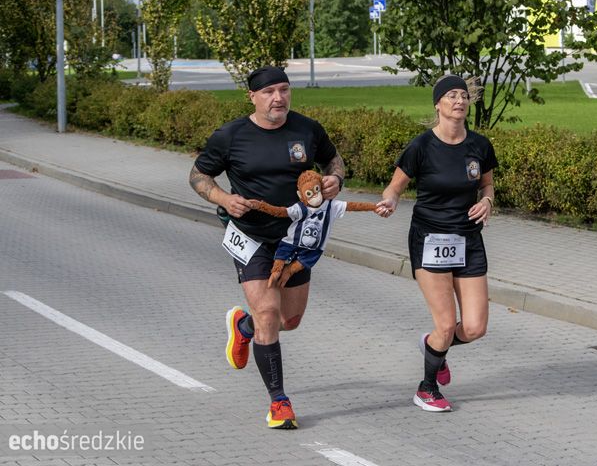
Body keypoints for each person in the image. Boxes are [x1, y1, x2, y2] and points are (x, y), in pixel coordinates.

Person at [189, 66, 346, 429]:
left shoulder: (307, 129)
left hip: (295, 240)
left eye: (284, 90)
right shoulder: (230, 136)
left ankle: (242, 327)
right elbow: (198, 175)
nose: (278, 98)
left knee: (289, 320)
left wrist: (334, 178)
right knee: (268, 317)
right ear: (253, 97)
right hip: (252, 237)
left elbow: (333, 159)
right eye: (269, 92)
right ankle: (279, 402)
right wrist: (224, 199)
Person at [376, 75, 497, 412]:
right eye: (451, 96)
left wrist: (487, 203)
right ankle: (426, 388)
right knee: (445, 324)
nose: (458, 101)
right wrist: (390, 202)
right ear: (438, 104)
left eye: (463, 96)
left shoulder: (479, 146)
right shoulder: (422, 146)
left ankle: (432, 346)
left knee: (474, 327)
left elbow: (487, 187)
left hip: (469, 240)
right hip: (429, 240)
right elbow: (395, 187)